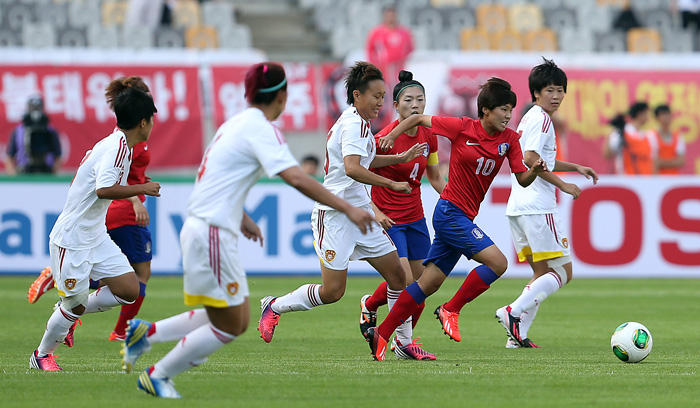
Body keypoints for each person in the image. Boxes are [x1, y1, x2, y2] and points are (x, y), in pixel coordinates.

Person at [120, 62, 376, 399]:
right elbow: (297, 177)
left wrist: (240, 214)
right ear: (282, 96)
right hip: (210, 231)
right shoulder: (261, 129)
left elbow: (211, 175)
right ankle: (158, 374)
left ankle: (146, 334)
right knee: (232, 323)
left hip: (208, 227)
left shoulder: (236, 124)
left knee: (229, 314)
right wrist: (348, 208)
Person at [366, 77, 547, 360]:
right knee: (498, 263)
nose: (508, 115)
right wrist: (390, 136)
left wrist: (534, 169)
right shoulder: (462, 127)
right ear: (486, 110)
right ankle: (450, 309)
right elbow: (418, 120)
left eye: (511, 109)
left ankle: (384, 333)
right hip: (449, 212)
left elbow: (522, 179)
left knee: (428, 283)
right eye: (503, 109)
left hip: (463, 214)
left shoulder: (510, 140)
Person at [256, 62, 429, 358]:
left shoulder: (359, 122)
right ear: (357, 95)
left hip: (359, 212)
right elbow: (352, 169)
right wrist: (391, 183)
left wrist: (399, 156)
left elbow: (366, 160)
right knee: (333, 292)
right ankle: (274, 306)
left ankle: (402, 343)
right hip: (335, 214)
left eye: (383, 96)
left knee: (399, 277)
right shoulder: (352, 124)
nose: (380, 102)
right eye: (376, 96)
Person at [29, 83, 160, 372]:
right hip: (72, 238)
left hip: (95, 234)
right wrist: (142, 189)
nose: (153, 124)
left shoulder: (120, 144)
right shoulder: (115, 148)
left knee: (130, 289)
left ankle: (67, 310)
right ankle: (41, 355)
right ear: (142, 122)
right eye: (152, 118)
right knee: (74, 306)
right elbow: (103, 190)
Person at [499, 58, 598, 348]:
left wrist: (575, 167)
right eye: (550, 90)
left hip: (518, 206)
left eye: (560, 90)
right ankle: (512, 311)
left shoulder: (530, 117)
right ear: (536, 93)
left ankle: (517, 336)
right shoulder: (542, 119)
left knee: (541, 274)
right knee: (564, 272)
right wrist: (563, 184)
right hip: (538, 206)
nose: (556, 96)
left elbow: (540, 157)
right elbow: (530, 159)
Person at [359, 70, 446, 360]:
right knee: (407, 279)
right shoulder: (383, 138)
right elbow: (357, 180)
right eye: (408, 100)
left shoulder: (429, 136)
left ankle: (370, 304)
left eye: (420, 99)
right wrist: (376, 211)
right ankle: (402, 342)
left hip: (416, 218)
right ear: (396, 106)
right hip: (389, 219)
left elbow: (433, 176)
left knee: (422, 284)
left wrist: (453, 200)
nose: (416, 105)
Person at [365, 4, 414, 130]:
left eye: (393, 15)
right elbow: (370, 51)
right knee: (383, 97)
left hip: (399, 71)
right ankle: (381, 126)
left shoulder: (404, 32)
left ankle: (401, 124)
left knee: (400, 96)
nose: (391, 17)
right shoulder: (377, 32)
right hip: (384, 71)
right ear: (384, 16)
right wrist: (376, 67)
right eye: (388, 15)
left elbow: (410, 50)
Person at [5, 95, 62, 175]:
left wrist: (53, 175)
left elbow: (58, 156)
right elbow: (9, 157)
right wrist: (14, 176)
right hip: (23, 172)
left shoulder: (50, 131)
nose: (35, 110)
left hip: (46, 172)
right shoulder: (18, 131)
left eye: (38, 107)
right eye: (32, 107)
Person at [603, 102, 656, 175]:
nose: (648, 117)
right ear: (640, 114)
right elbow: (607, 154)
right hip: (627, 179)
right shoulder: (621, 133)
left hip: (646, 180)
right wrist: (609, 135)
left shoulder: (648, 135)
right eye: (646, 114)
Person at [650, 104, 685, 175]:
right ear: (657, 117)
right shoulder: (651, 135)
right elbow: (652, 161)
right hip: (657, 177)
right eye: (663, 114)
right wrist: (674, 162)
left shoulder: (678, 136)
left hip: (674, 178)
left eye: (668, 114)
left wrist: (661, 163)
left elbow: (681, 161)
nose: (666, 117)